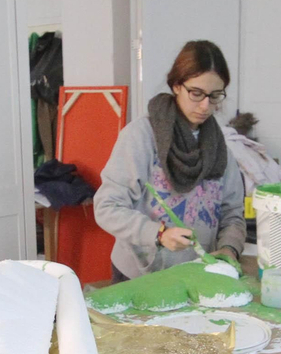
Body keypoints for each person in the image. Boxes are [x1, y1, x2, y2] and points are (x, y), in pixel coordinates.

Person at [94, 40, 245, 282]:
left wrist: (229, 248)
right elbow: (107, 207)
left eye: (215, 95)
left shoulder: (219, 147)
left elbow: (233, 212)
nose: (206, 105)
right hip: (141, 275)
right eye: (196, 93)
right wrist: (159, 234)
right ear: (176, 85)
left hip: (197, 275)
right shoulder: (141, 136)